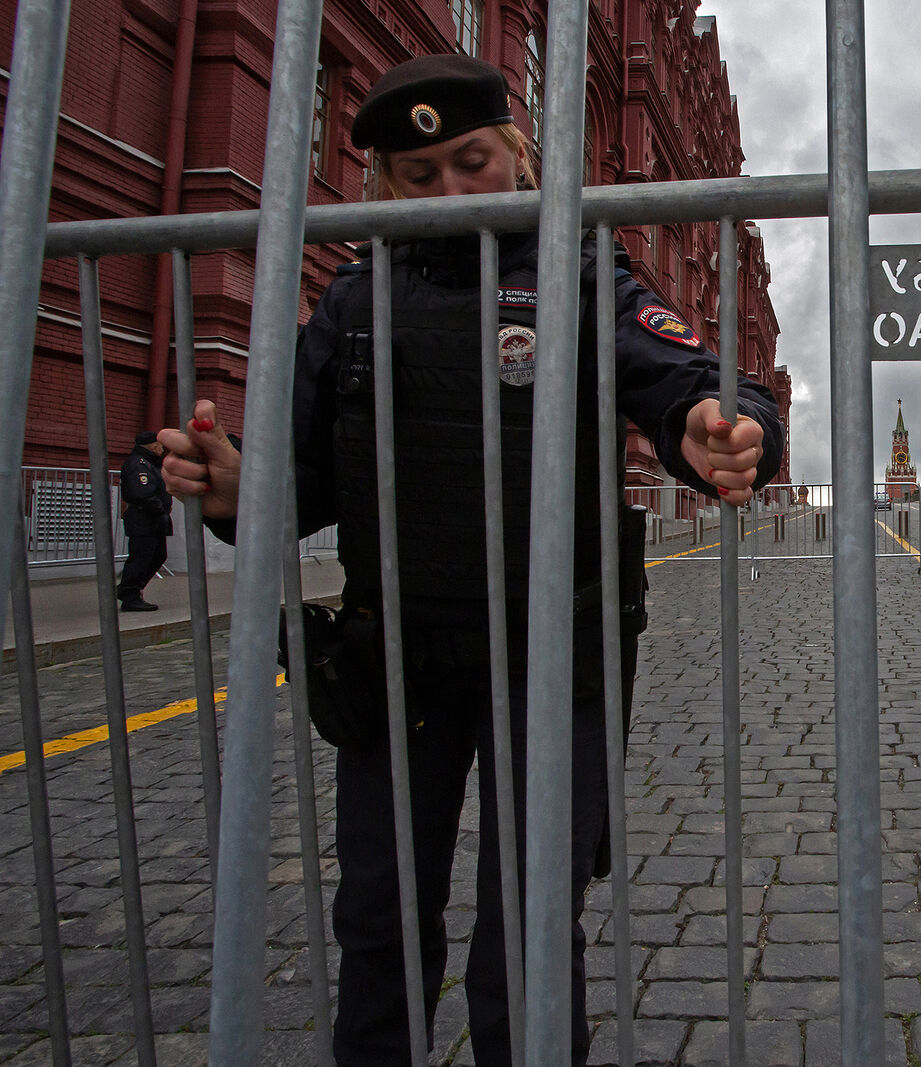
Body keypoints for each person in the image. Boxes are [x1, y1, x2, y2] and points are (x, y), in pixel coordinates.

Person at [158, 55, 784, 1066]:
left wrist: (723, 427)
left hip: (553, 658)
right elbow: (301, 482)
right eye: (419, 175)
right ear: (384, 187)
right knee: (377, 919)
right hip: (395, 658)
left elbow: (691, 379)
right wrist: (234, 483)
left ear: (519, 155)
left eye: (472, 160)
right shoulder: (355, 301)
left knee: (529, 934)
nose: (450, 190)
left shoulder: (582, 270)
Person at [116, 429, 172, 611]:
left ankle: (130, 590)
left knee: (157, 556)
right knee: (141, 557)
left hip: (153, 519)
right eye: (160, 444)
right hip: (144, 518)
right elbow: (142, 493)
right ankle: (129, 594)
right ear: (152, 445)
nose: (162, 448)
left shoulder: (150, 464)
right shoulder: (138, 464)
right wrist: (159, 508)